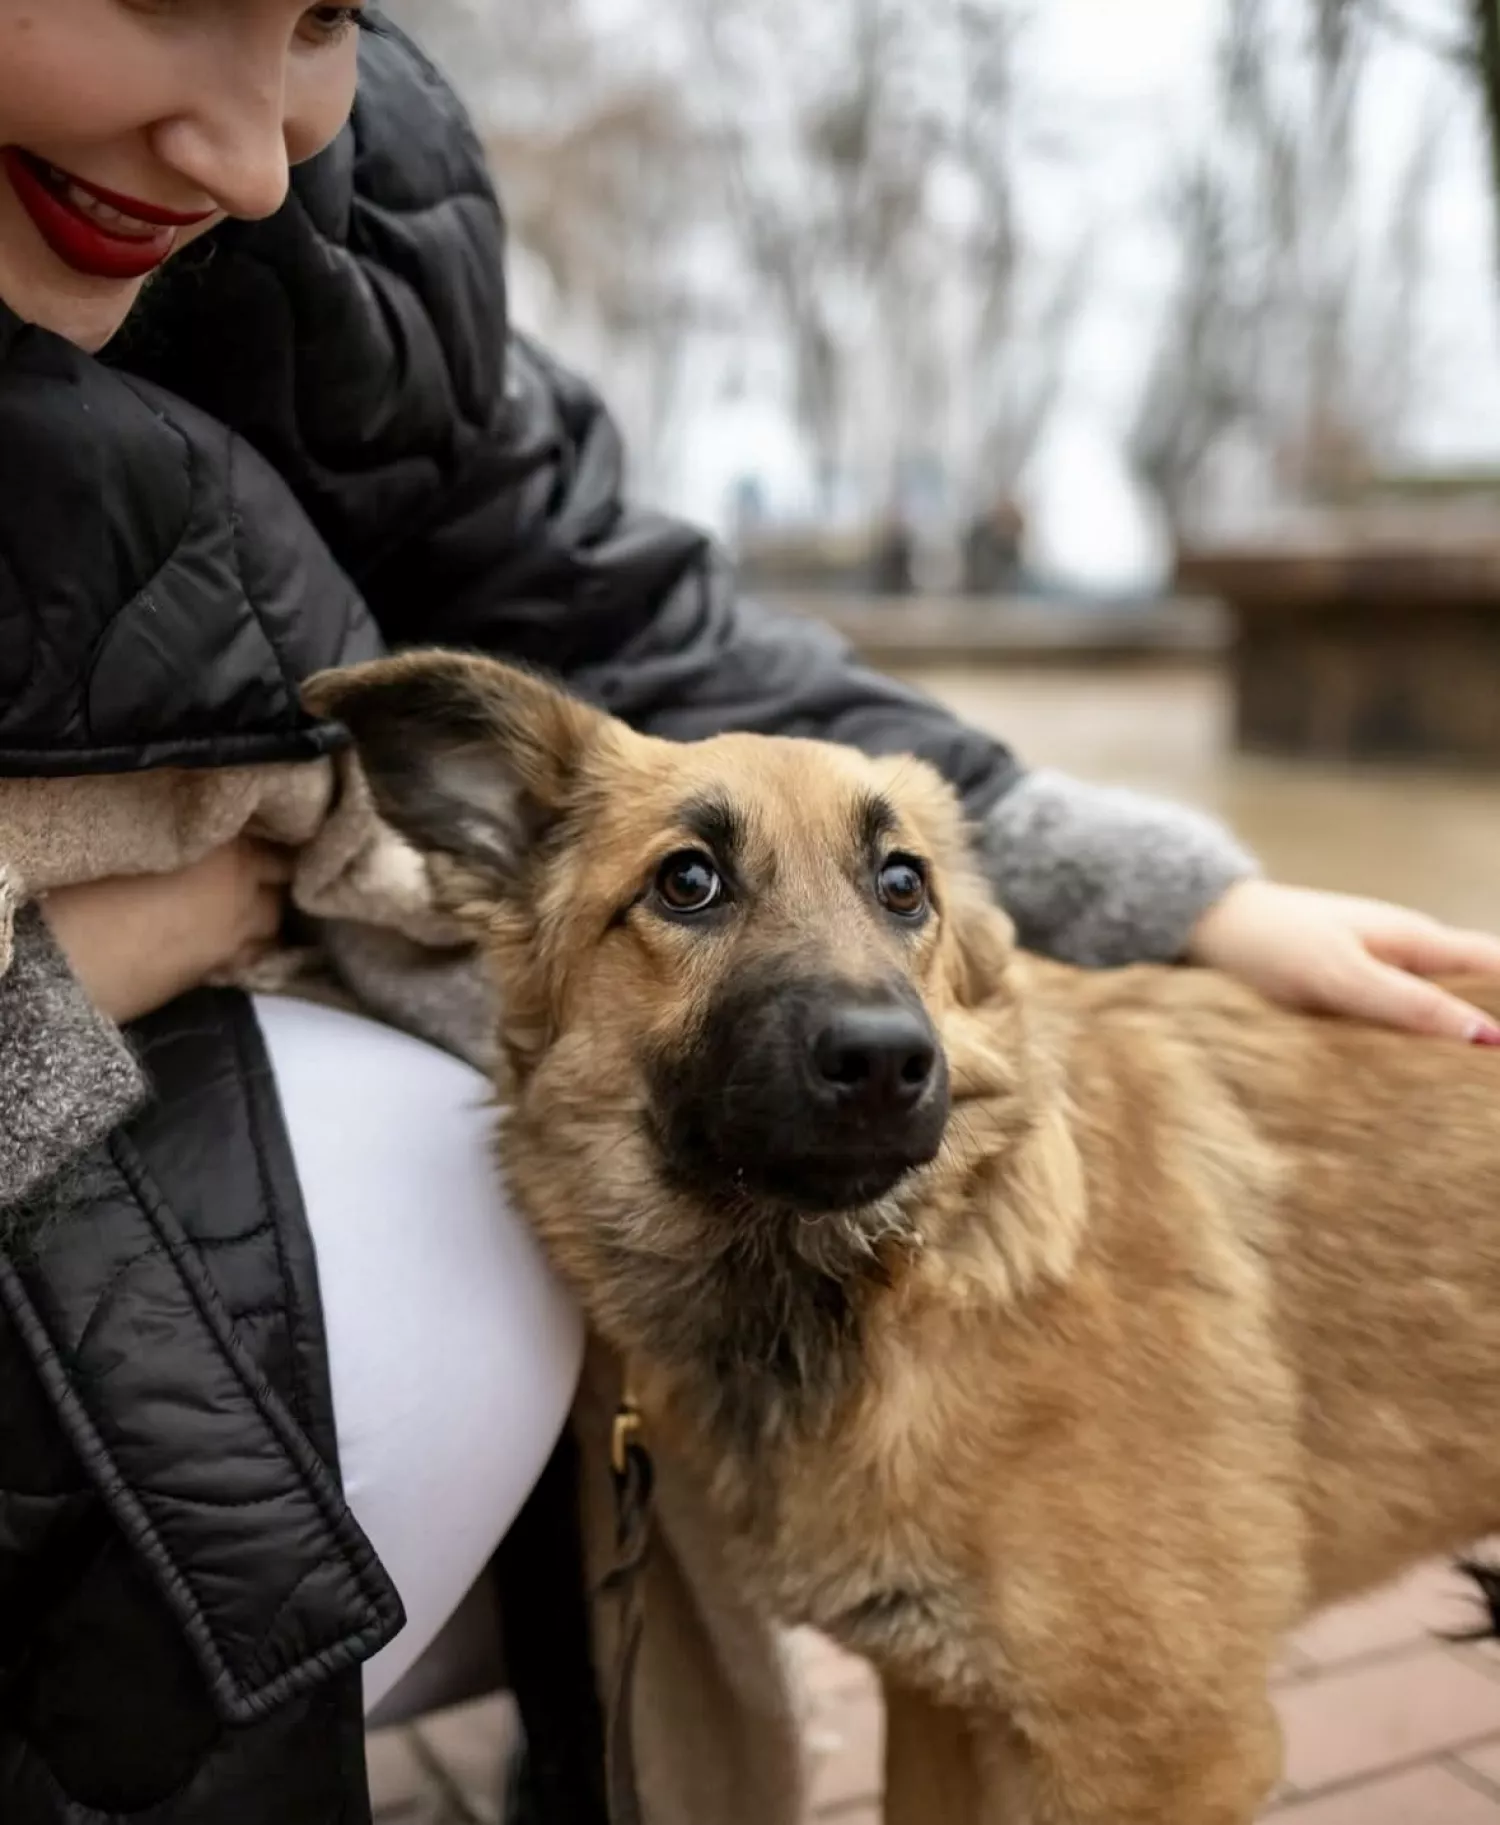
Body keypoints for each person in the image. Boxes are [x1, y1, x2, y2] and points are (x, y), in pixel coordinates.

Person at [2, 6, 1499, 1824]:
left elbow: (1171, 1755)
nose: (249, 155)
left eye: (317, 18)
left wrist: (1206, 898)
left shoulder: (352, 232)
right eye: (689, 888)